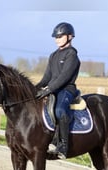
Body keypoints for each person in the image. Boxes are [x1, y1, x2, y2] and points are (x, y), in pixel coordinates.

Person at [35, 22, 81, 159]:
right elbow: (47, 77)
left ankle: (63, 145)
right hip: (53, 89)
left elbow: (64, 77)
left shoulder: (72, 55)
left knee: (60, 110)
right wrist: (35, 88)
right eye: (56, 37)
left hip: (66, 89)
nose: (57, 39)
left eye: (60, 36)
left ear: (70, 36)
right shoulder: (53, 55)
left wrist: (48, 89)